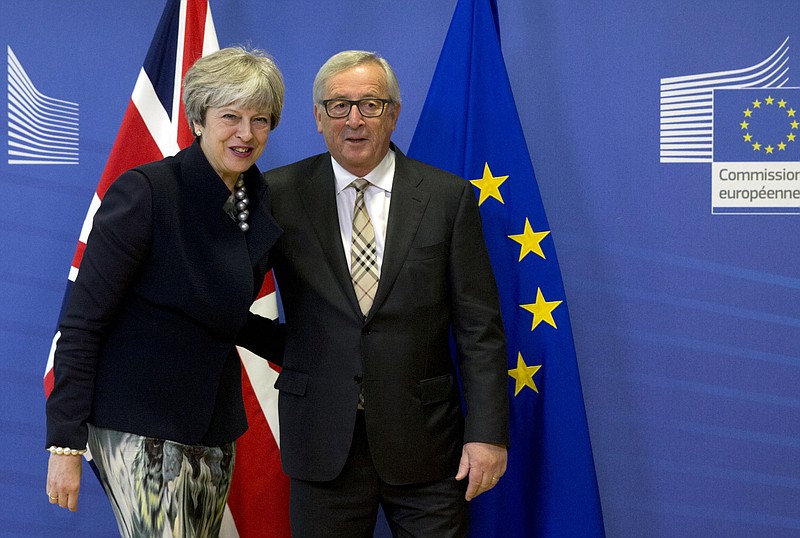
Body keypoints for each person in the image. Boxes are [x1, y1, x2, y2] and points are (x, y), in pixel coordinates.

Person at [264, 50, 509, 538]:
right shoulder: (278, 195)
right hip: (321, 442)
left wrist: (486, 434)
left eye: (370, 105)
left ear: (393, 114)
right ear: (317, 117)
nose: (354, 119)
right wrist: (296, 351)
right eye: (338, 105)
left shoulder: (447, 198)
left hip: (428, 448)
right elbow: (230, 298)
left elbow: (479, 330)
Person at [45, 46, 285, 537]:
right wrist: (65, 445)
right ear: (199, 119)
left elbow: (220, 311)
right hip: (140, 424)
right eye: (231, 117)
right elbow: (82, 322)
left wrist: (319, 353)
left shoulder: (254, 200)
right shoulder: (147, 192)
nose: (246, 133)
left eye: (260, 120)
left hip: (213, 428)